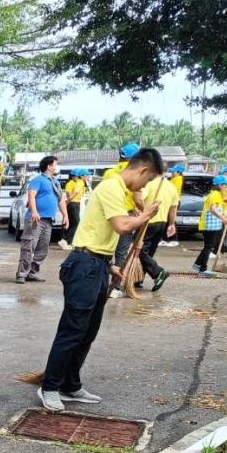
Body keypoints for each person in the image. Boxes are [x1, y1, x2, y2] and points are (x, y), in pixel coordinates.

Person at [37, 147, 163, 413]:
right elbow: (122, 226)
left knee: (88, 331)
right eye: (148, 180)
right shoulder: (111, 187)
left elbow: (106, 235)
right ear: (142, 170)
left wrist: (112, 266)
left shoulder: (122, 190)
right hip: (83, 265)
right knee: (73, 330)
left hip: (98, 264)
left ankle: (70, 385)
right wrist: (145, 215)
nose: (145, 187)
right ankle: (49, 387)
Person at [16, 155, 66, 284]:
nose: (56, 166)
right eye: (55, 164)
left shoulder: (55, 182)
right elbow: (31, 195)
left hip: (48, 220)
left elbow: (61, 200)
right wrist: (34, 211)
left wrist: (65, 215)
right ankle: (22, 273)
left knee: (43, 249)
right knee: (29, 247)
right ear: (49, 166)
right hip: (36, 219)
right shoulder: (38, 180)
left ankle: (32, 272)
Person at [133, 173, 179, 291]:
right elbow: (173, 209)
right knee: (148, 252)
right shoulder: (172, 187)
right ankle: (138, 279)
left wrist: (141, 212)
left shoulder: (149, 184)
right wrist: (171, 224)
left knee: (137, 250)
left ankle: (158, 272)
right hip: (162, 224)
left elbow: (139, 199)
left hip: (149, 222)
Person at [192, 174, 227, 273]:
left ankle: (197, 265)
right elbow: (213, 209)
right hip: (209, 226)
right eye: (225, 185)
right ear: (220, 185)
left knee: (208, 246)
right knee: (209, 246)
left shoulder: (214, 194)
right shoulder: (215, 195)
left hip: (211, 225)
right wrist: (223, 219)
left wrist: (223, 217)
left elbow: (217, 209)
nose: (226, 187)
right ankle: (202, 268)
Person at [63, 168, 88, 243]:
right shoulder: (76, 183)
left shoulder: (79, 182)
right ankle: (68, 240)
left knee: (72, 223)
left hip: (75, 203)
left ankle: (66, 240)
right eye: (86, 175)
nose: (88, 177)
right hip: (73, 203)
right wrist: (67, 202)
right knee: (76, 223)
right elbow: (73, 193)